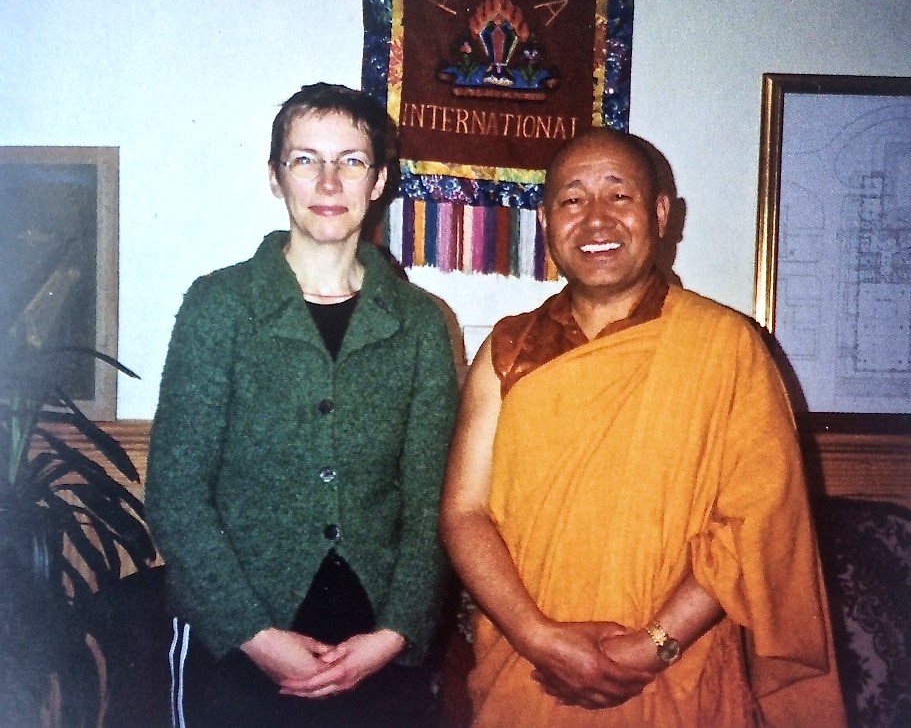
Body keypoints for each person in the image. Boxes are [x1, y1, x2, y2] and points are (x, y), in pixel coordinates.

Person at [439, 128, 846, 727]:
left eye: (619, 196)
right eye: (571, 200)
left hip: (674, 674)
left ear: (660, 214)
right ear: (546, 221)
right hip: (527, 672)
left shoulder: (724, 346)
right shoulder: (508, 348)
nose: (595, 220)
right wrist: (538, 637)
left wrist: (652, 646)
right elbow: (463, 512)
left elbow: (752, 525)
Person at [145, 83, 459, 728]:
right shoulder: (219, 307)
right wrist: (253, 634)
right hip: (236, 635)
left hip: (378, 644)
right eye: (304, 159)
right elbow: (177, 490)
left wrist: (398, 631)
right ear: (274, 177)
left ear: (378, 182)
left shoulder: (420, 323)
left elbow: (433, 498)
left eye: (351, 160)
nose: (328, 180)